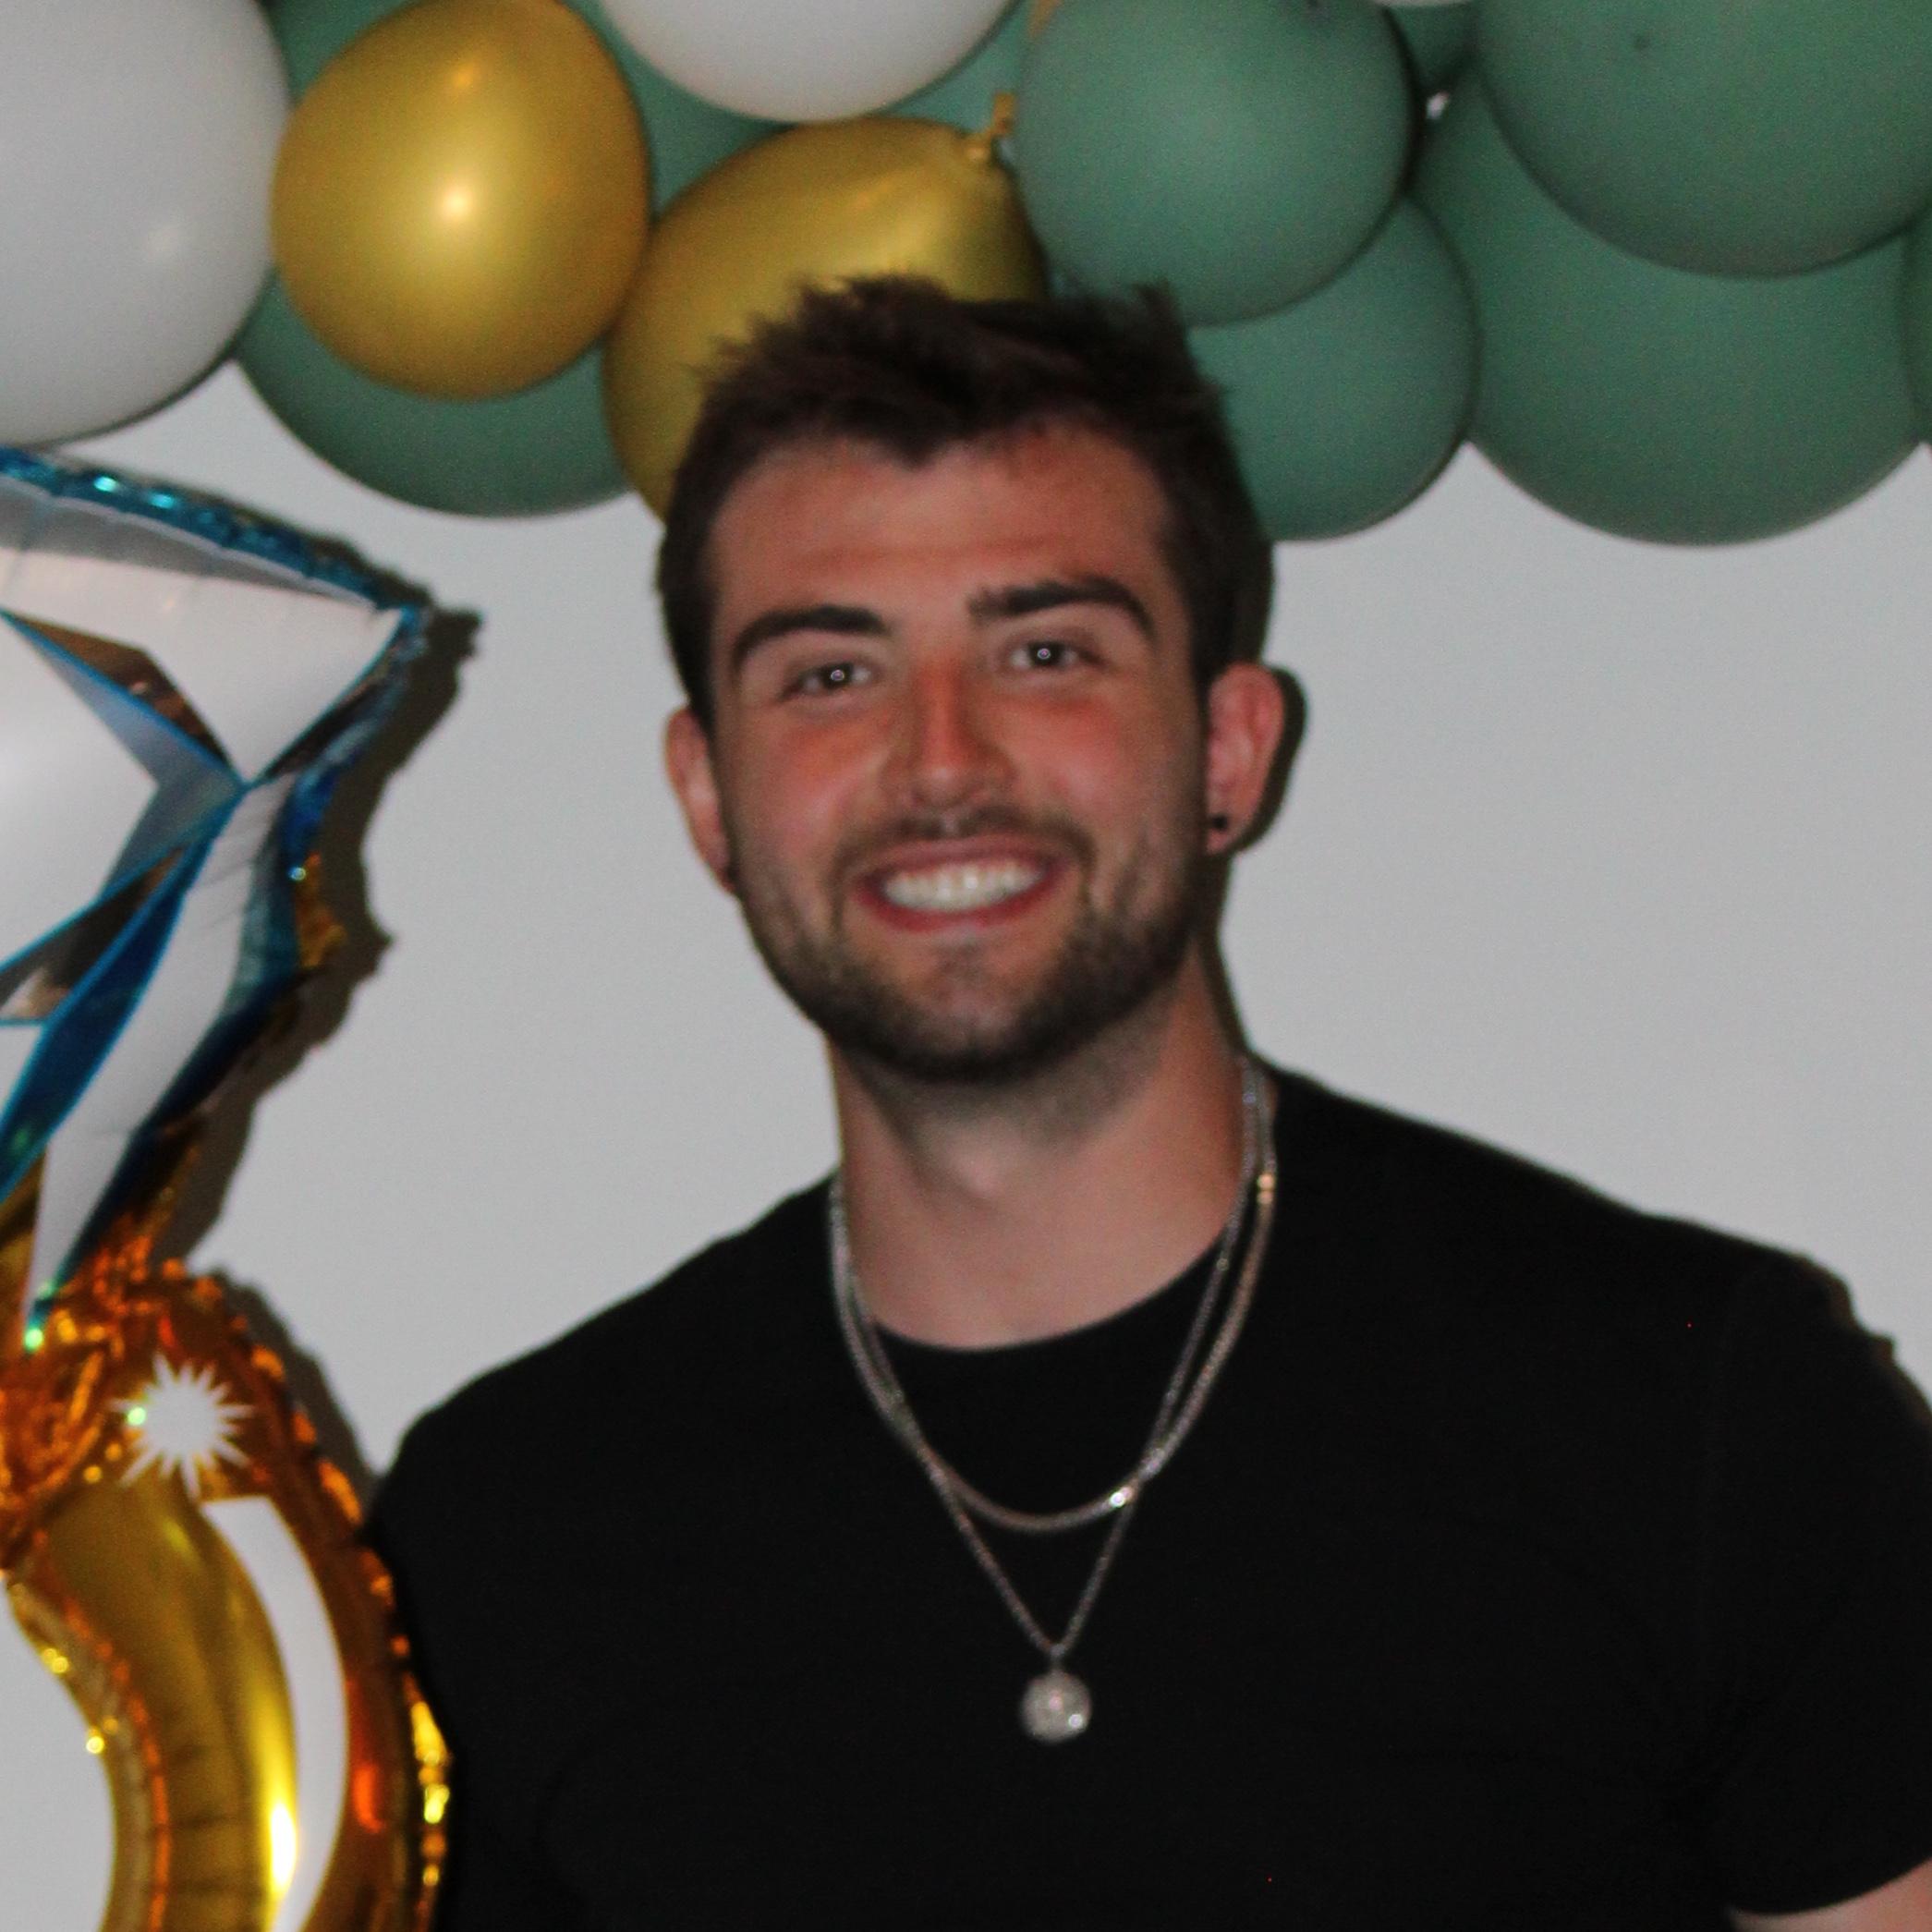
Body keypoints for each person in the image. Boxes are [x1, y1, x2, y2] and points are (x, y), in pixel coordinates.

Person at [371, 279, 1932, 1929]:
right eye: (830, 675)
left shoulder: (1695, 1419)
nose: (942, 761)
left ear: (1228, 751)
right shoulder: (507, 1536)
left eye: (1046, 653)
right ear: (708, 796)